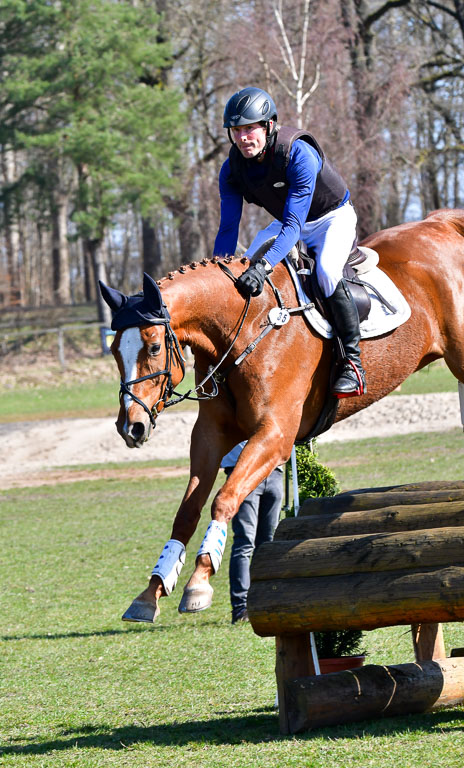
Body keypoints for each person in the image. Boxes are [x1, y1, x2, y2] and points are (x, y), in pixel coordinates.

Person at [213, 85, 366, 398]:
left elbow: (296, 226)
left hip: (330, 218)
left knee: (325, 272)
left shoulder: (298, 153)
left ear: (269, 126)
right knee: (241, 269)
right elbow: (228, 227)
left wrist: (266, 265)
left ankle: (353, 362)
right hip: (287, 220)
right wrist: (218, 270)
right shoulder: (231, 169)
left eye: (249, 129)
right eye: (236, 131)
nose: (242, 138)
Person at [221, 442, 283, 624]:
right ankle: (241, 607)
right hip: (242, 473)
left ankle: (265, 601)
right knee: (245, 541)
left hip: (274, 471)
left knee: (268, 543)